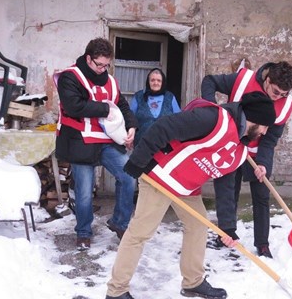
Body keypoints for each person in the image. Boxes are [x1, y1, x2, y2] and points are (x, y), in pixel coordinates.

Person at [105, 92, 276, 299]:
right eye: (266, 126)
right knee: (140, 232)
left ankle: (193, 282)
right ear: (255, 119)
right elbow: (164, 126)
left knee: (198, 225)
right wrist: (138, 160)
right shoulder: (213, 119)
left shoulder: (240, 148)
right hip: (160, 177)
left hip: (186, 187)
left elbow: (226, 187)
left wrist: (227, 229)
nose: (266, 133)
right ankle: (116, 290)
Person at [201, 61, 292, 258]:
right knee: (229, 190)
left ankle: (262, 244)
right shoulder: (243, 80)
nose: (278, 97)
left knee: (262, 195)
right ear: (267, 80)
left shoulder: (285, 104)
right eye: (276, 92)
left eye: (284, 94)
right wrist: (212, 110)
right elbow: (209, 81)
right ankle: (226, 233)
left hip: (257, 151)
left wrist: (263, 164)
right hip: (232, 145)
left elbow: (269, 139)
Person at [55, 38, 138, 250]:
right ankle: (83, 232)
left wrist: (131, 126)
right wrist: (105, 109)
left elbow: (123, 105)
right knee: (83, 192)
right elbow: (74, 106)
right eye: (99, 64)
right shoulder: (69, 77)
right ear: (88, 58)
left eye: (106, 65)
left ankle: (120, 223)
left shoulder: (110, 81)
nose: (102, 69)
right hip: (80, 142)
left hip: (106, 143)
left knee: (128, 176)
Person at [130, 68, 181, 145]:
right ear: (148, 82)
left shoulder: (170, 97)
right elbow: (130, 118)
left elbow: (178, 119)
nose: (155, 83)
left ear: (162, 82)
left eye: (159, 80)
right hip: (141, 145)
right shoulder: (139, 96)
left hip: (165, 145)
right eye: (152, 80)